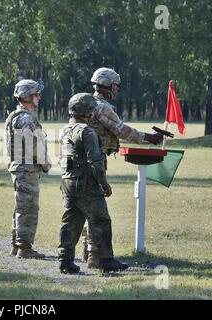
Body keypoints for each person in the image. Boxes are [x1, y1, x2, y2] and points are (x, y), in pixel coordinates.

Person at [80, 67, 164, 263]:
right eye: (115, 85)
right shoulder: (102, 107)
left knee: (86, 207)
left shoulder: (86, 103)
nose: (117, 89)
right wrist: (148, 138)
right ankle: (96, 255)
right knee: (97, 208)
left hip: (82, 161)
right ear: (107, 85)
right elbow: (121, 130)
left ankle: (88, 251)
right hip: (95, 160)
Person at [58, 93, 128, 274]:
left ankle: (65, 260)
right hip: (86, 183)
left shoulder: (65, 129)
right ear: (88, 111)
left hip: (68, 181)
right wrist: (104, 184)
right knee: (101, 220)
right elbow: (95, 162)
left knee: (71, 221)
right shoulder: (87, 131)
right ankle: (106, 260)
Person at [5, 79, 52, 259]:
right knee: (28, 208)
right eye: (36, 94)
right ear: (27, 97)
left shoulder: (19, 116)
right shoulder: (24, 118)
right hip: (26, 169)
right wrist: (45, 163)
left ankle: (17, 245)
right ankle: (24, 248)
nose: (39, 97)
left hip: (22, 168)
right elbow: (32, 143)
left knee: (21, 206)